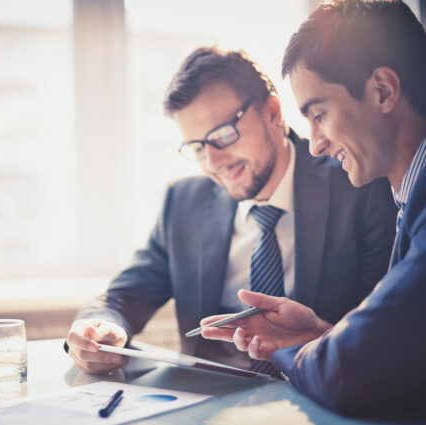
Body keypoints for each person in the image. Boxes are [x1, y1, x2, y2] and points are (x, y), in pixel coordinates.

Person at [65, 46, 396, 378]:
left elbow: (383, 334)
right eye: (197, 147)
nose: (213, 162)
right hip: (207, 403)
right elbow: (123, 296)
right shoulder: (184, 203)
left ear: (272, 112)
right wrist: (99, 327)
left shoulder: (358, 185)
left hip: (316, 394)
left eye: (223, 135)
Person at [200, 0, 426, 417]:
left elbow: (349, 372)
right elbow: (405, 352)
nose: (316, 143)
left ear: (383, 90)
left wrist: (303, 348)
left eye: (319, 114)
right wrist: (324, 334)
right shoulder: (409, 199)